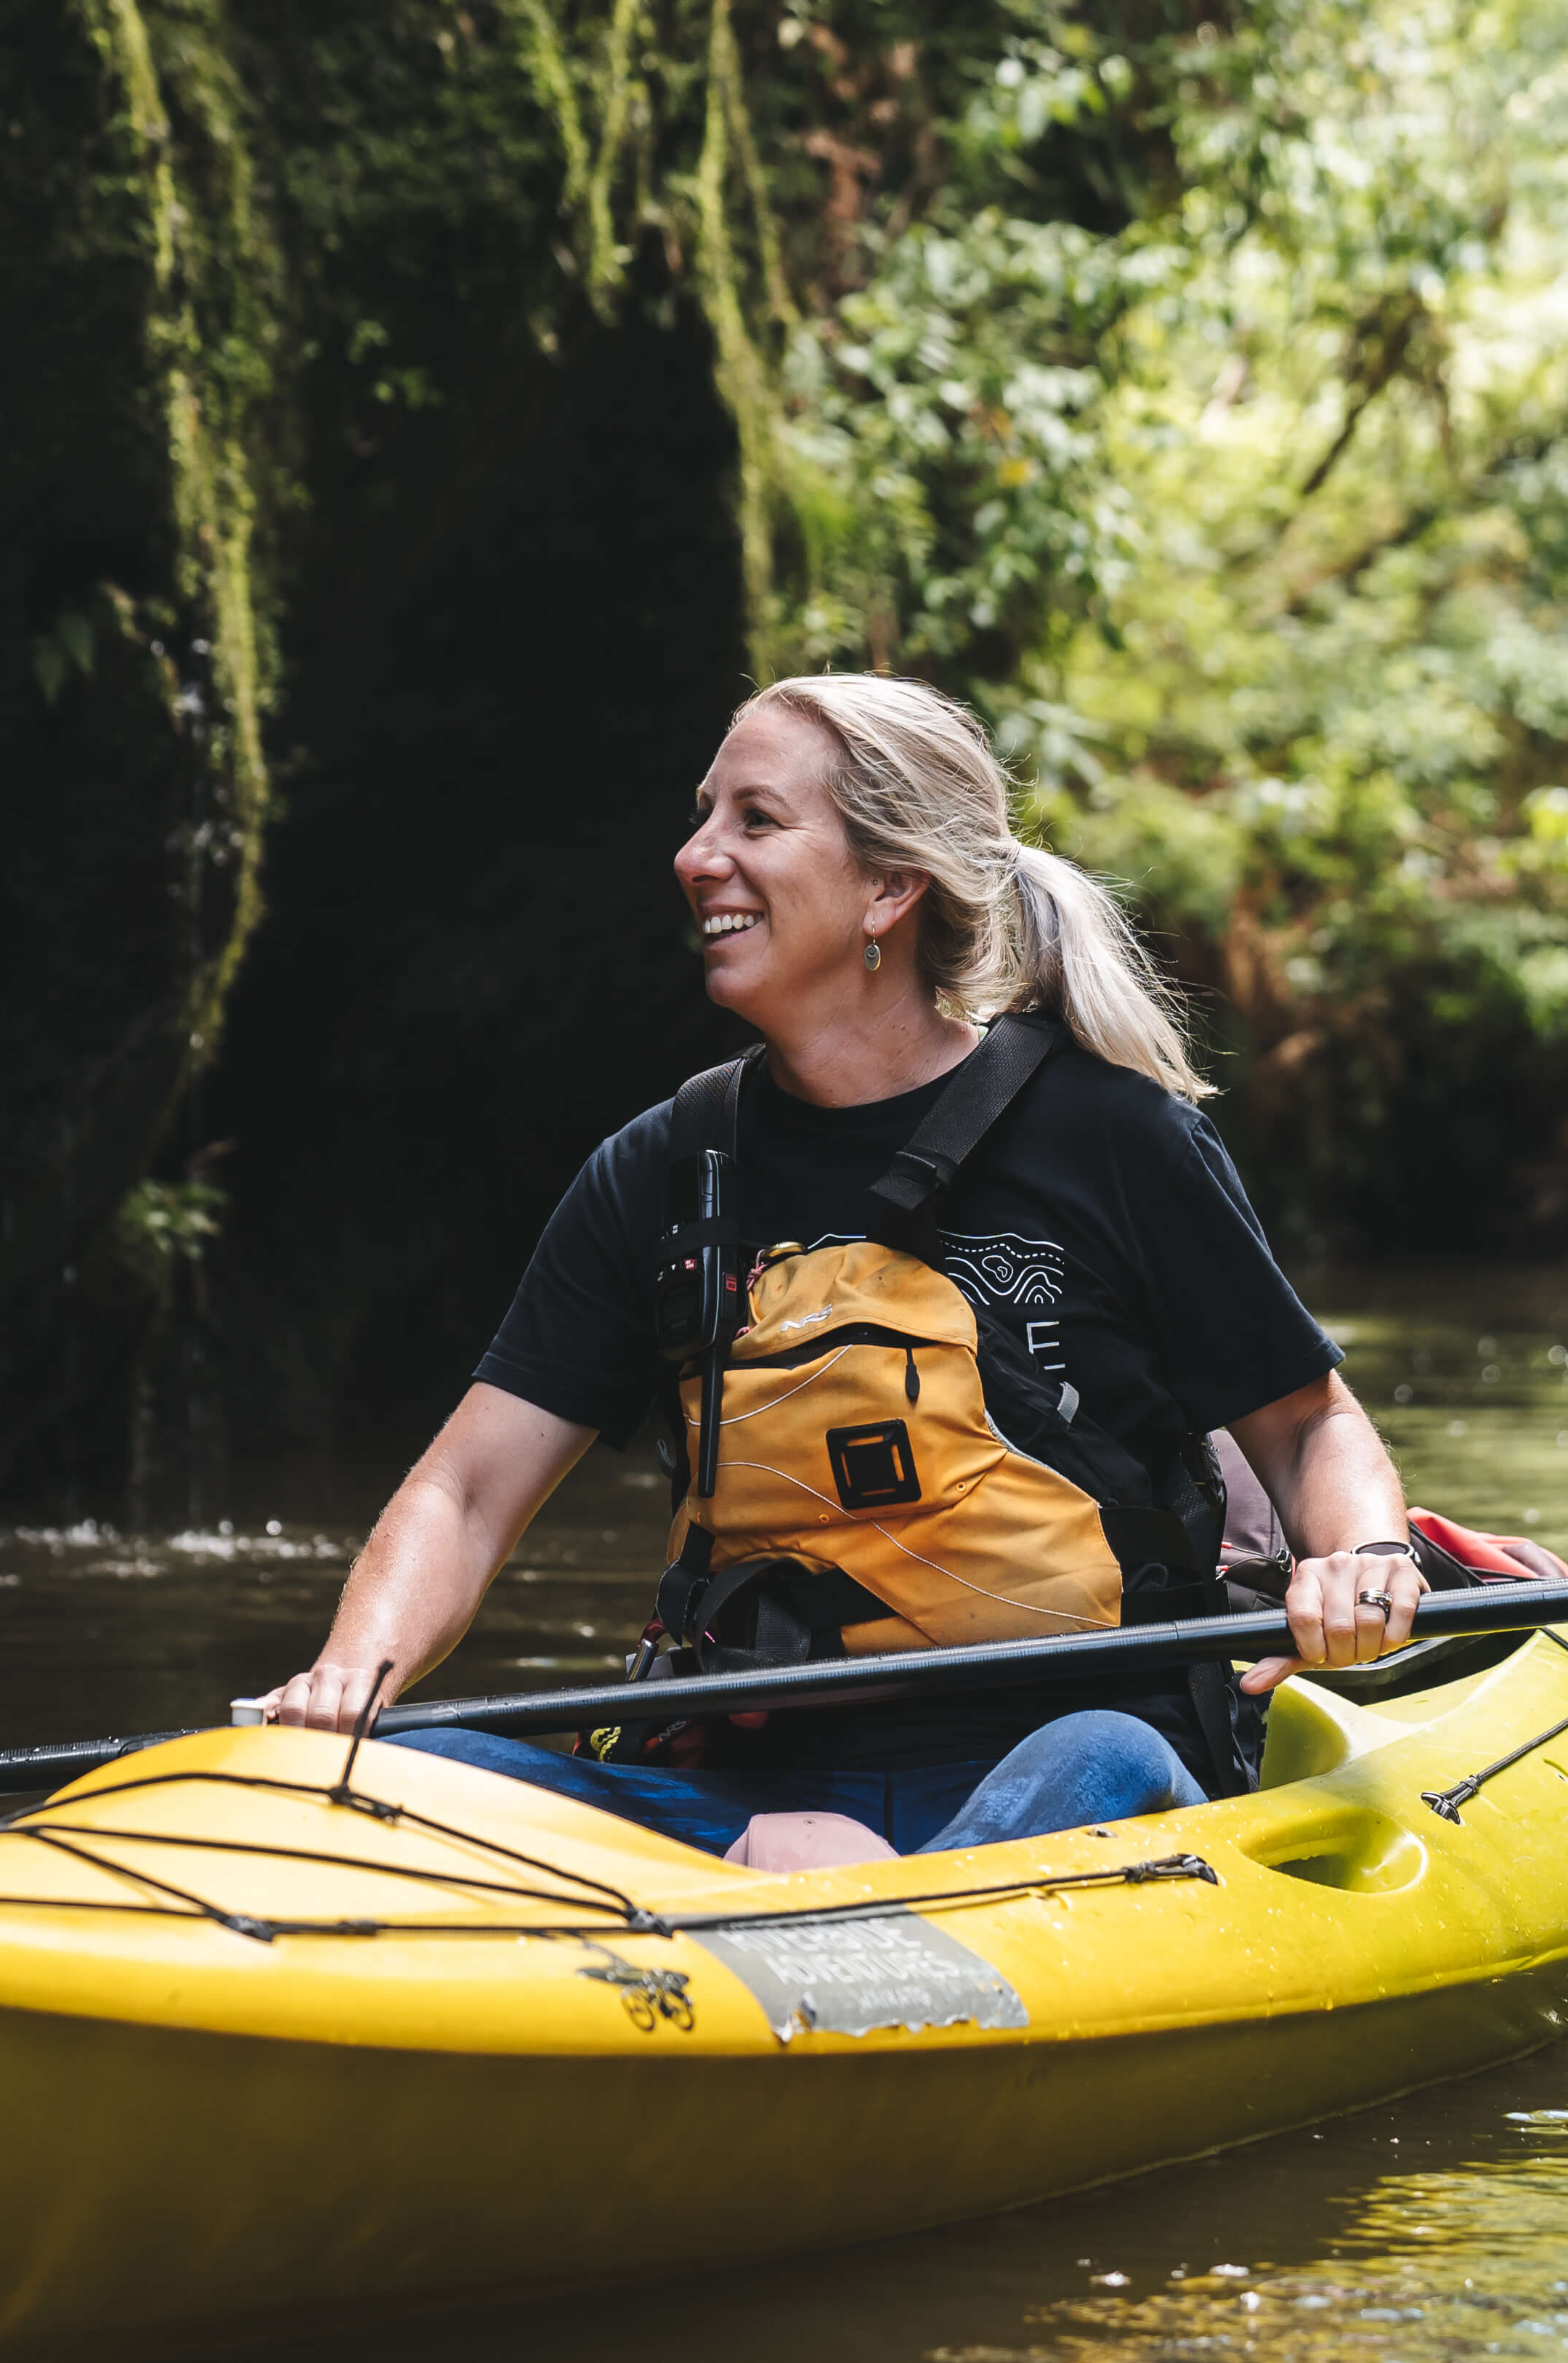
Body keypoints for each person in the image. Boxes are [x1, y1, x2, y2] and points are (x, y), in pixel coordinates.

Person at [251, 673, 1423, 1866]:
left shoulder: (1117, 1142)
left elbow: (1303, 1427)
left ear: (890, 887)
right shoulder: (661, 1172)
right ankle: (791, 1896)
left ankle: (863, 1913)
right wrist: (351, 1680)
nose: (695, 855)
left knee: (1101, 1754)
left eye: (756, 821)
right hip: (746, 1799)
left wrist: (1365, 1556)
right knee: (376, 1775)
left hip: (1066, 1777)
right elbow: (467, 1491)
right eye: (705, 815)